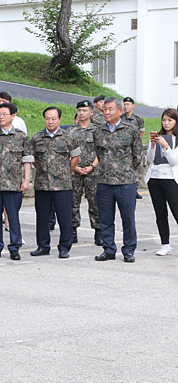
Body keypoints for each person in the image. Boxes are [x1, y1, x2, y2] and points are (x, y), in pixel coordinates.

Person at [0, 103, 33, 261]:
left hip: (14, 184)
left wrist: (27, 180)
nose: (1, 117)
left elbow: (27, 160)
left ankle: (14, 247)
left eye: (4, 114)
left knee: (13, 217)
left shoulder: (21, 137)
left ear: (13, 115)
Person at [93, 97, 143, 263]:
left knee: (128, 219)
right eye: (105, 109)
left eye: (110, 109)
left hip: (125, 183)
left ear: (120, 111)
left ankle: (129, 250)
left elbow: (137, 157)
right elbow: (98, 154)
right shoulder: (98, 131)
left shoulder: (131, 130)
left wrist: (125, 170)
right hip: (104, 182)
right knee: (106, 220)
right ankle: (108, 249)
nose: (106, 112)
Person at [30, 107, 81, 259]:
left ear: (59, 119)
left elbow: (75, 158)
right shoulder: (37, 137)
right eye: (47, 118)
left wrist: (65, 172)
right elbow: (34, 159)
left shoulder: (68, 137)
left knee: (65, 218)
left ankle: (64, 247)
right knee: (42, 218)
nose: (50, 121)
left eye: (53, 118)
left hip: (63, 185)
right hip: (42, 185)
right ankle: (43, 246)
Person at [145, 108, 178, 256]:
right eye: (164, 120)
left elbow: (173, 161)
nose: (166, 123)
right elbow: (150, 159)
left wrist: (165, 146)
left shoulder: (176, 140)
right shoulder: (157, 137)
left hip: (171, 179)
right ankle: (165, 244)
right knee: (160, 213)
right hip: (155, 179)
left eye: (170, 120)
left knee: (176, 211)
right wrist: (152, 146)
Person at [69, 100, 102, 246]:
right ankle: (73, 230)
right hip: (75, 171)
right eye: (79, 110)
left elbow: (102, 151)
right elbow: (66, 152)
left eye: (85, 110)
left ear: (91, 112)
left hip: (93, 172)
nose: (81, 113)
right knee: (72, 202)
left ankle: (99, 232)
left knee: (95, 202)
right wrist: (75, 167)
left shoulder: (99, 130)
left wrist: (92, 166)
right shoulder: (70, 131)